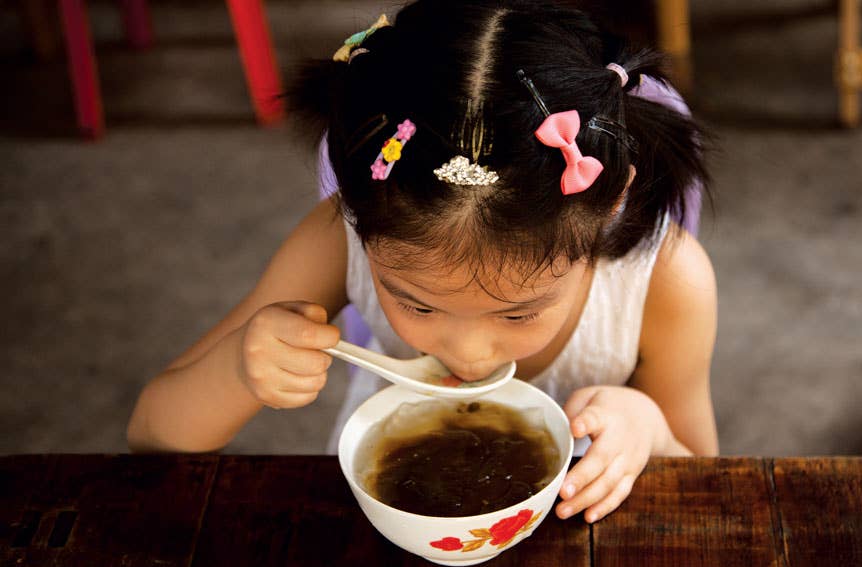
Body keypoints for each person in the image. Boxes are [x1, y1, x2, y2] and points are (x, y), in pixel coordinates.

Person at [127, 0, 719, 524]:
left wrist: (650, 427)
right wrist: (239, 369)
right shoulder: (335, 241)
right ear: (358, 218)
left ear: (610, 206)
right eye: (414, 301)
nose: (467, 354)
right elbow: (153, 435)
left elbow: (714, 487)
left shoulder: (666, 282)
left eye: (517, 314)